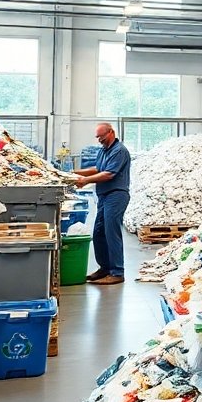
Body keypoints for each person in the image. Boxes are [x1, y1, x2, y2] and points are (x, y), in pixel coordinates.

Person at [72, 122, 130, 285]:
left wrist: (85, 181)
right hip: (104, 196)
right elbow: (97, 169)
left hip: (116, 195)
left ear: (111, 133)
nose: (99, 140)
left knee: (111, 232)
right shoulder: (104, 151)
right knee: (98, 232)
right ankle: (105, 268)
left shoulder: (119, 151)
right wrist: (73, 173)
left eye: (101, 136)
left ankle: (117, 272)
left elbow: (109, 174)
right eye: (97, 137)